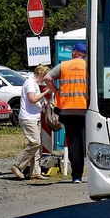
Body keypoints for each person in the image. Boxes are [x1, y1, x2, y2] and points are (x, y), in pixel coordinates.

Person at [46, 42, 88, 184]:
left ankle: (77, 176)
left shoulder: (63, 66)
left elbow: (47, 78)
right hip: (86, 109)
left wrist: (57, 92)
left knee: (74, 142)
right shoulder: (89, 66)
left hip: (68, 109)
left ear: (75, 52)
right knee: (89, 140)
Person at [10, 65, 52, 181]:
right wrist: (45, 93)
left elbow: (34, 102)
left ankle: (35, 171)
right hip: (28, 118)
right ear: (40, 74)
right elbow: (32, 99)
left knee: (37, 147)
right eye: (45, 76)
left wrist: (42, 103)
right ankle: (18, 166)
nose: (45, 79)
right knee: (35, 143)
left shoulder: (35, 85)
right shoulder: (30, 83)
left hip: (34, 117)